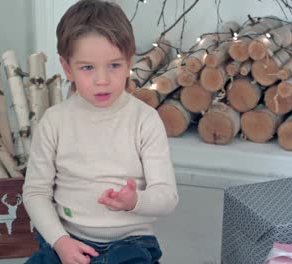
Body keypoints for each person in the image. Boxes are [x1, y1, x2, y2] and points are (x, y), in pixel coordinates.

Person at [23, 0, 178, 263]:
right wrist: (60, 242)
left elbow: (167, 197)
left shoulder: (145, 121)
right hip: (68, 238)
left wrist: (135, 201)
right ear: (67, 68)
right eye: (87, 68)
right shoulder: (54, 121)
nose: (102, 79)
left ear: (129, 62)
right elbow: (35, 192)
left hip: (130, 242)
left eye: (114, 65)